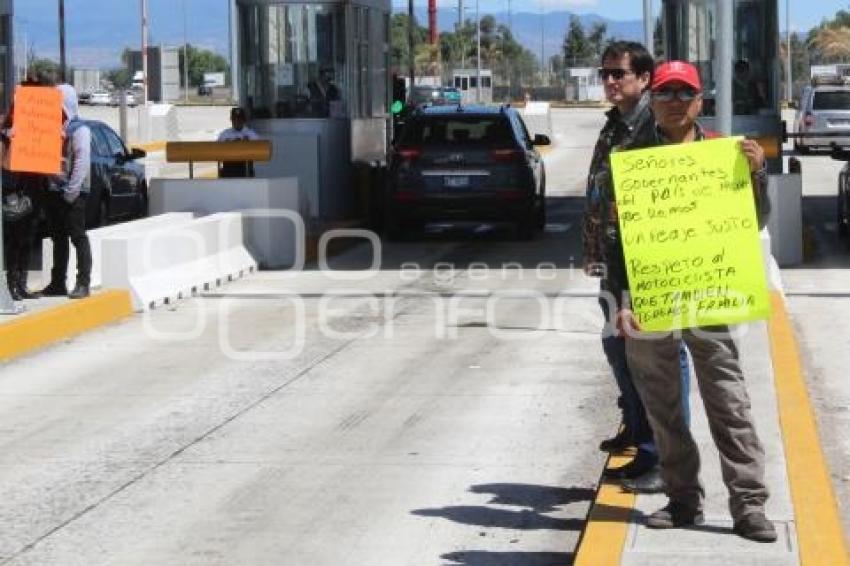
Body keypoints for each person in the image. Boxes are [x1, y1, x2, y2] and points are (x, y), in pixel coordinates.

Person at [616, 60, 776, 543]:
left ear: (699, 102)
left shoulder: (727, 155)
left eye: (684, 94)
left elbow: (758, 218)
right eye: (665, 94)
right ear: (653, 100)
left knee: (728, 401)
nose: (674, 102)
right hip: (651, 300)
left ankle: (749, 506)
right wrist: (622, 299)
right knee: (664, 407)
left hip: (712, 296)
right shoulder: (633, 159)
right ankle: (683, 500)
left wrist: (758, 173)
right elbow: (616, 237)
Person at [583, 41, 691, 493]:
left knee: (660, 361)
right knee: (618, 349)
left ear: (644, 78)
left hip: (646, 264)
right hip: (613, 260)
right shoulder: (615, 125)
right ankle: (638, 430)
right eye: (605, 73)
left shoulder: (653, 126)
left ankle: (663, 457)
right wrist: (593, 249)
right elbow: (603, 194)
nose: (610, 81)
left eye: (619, 74)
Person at [1, 71, 54, 300]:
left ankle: (21, 284)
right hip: (15, 185)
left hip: (34, 183)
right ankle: (12, 283)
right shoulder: (10, 121)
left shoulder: (46, 113)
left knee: (28, 236)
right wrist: (7, 134)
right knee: (15, 235)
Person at [40, 84, 93, 300]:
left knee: (77, 236)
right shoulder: (51, 127)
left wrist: (71, 191)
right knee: (58, 238)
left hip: (73, 192)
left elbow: (81, 162)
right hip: (54, 189)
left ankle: (83, 283)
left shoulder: (80, 130)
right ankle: (57, 282)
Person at [217, 107, 259, 178]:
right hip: (228, 169)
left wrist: (246, 143)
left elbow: (259, 149)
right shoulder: (224, 134)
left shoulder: (251, 134)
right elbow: (216, 150)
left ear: (244, 120)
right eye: (234, 119)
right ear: (231, 120)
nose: (237, 121)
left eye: (239, 119)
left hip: (245, 169)